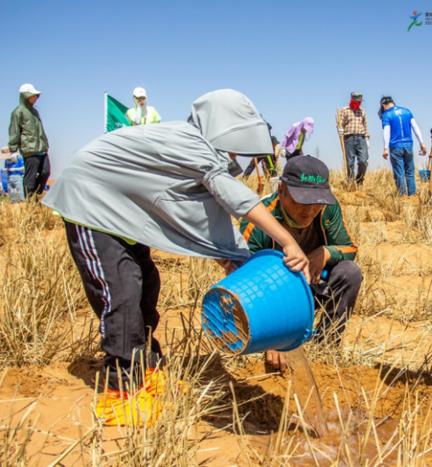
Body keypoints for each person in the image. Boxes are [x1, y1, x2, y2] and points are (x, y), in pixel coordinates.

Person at [43, 89, 310, 425]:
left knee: (147, 285)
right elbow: (234, 199)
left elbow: (202, 217)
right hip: (90, 205)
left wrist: (228, 259)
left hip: (123, 214)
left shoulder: (195, 150)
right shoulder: (188, 142)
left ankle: (147, 369)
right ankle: (122, 393)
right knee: (122, 295)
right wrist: (287, 241)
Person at [240, 156, 361, 371]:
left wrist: (325, 252)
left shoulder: (326, 210)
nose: (309, 210)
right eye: (301, 200)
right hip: (271, 298)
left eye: (316, 201)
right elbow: (247, 285)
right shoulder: (258, 219)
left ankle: (325, 349)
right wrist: (271, 334)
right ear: (282, 189)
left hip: (311, 288)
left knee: (350, 273)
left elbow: (349, 249)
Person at [8, 83, 50, 198]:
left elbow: (40, 130)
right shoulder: (18, 112)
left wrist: (46, 145)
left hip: (42, 149)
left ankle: (36, 194)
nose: (35, 98)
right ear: (25, 96)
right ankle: (29, 201)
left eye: (36, 96)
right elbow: (14, 131)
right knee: (30, 178)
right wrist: (13, 150)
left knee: (46, 172)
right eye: (33, 96)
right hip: (30, 150)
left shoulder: (35, 112)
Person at [379, 96, 427, 196]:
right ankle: (412, 195)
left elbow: (386, 132)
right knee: (410, 171)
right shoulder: (407, 111)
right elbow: (415, 127)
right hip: (408, 145)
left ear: (384, 105)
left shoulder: (386, 115)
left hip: (395, 146)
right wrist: (422, 143)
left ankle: (402, 196)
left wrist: (385, 148)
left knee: (399, 173)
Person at [337, 92, 370, 184]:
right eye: (357, 102)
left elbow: (365, 125)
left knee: (363, 161)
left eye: (360, 102)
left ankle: (359, 180)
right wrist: (340, 129)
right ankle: (350, 183)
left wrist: (367, 138)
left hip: (361, 138)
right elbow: (340, 123)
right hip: (349, 138)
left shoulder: (362, 111)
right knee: (350, 162)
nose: (359, 103)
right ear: (352, 100)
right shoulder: (344, 110)